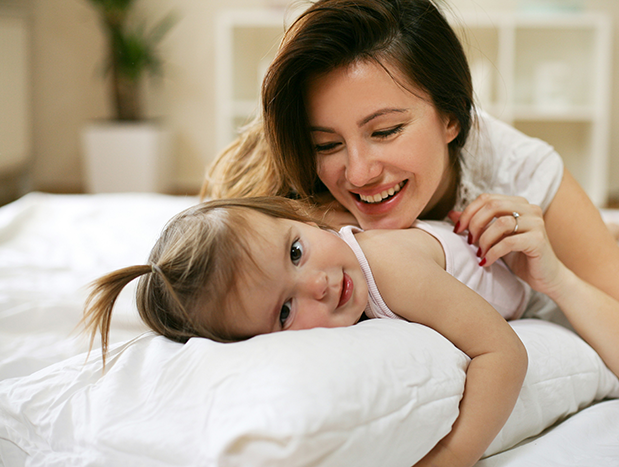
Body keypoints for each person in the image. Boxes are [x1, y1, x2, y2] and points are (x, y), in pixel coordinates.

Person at [201, 0, 619, 409]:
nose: (357, 173)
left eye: (386, 131)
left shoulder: (520, 172)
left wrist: (556, 277)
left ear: (451, 117)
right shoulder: (287, 192)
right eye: (328, 144)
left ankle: (603, 232)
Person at [83, 196, 528, 467]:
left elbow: (503, 354)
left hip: (520, 263)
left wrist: (450, 458)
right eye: (284, 312)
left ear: (300, 218)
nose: (319, 283)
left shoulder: (391, 269)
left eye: (296, 251)